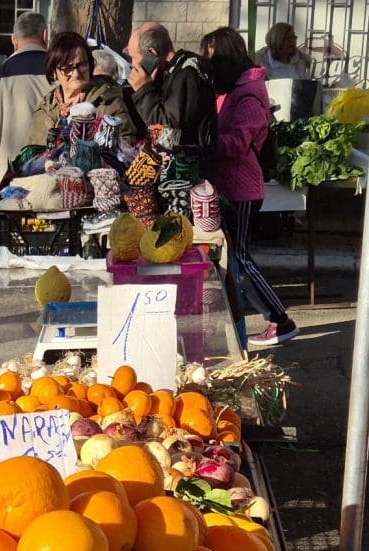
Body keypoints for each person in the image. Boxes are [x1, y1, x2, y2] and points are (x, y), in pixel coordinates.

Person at [202, 27, 297, 350]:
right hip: (227, 185)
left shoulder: (250, 93)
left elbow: (240, 142)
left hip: (242, 188)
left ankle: (280, 319)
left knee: (239, 257)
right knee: (233, 256)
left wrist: (206, 143)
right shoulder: (232, 89)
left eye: (212, 61)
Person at [0, 11, 51, 189]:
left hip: (9, 178)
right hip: (52, 175)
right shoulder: (60, 72)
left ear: (14, 40)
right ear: (45, 35)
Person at [26, 31, 139, 149]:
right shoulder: (46, 106)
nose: (76, 73)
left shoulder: (107, 100)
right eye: (67, 68)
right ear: (54, 72)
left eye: (82, 65)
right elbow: (32, 149)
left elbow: (125, 144)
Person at [127, 22, 217, 156]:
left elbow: (168, 127)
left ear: (152, 53)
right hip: (174, 158)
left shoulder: (187, 74)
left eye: (134, 57)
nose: (132, 64)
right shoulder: (169, 73)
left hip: (186, 163)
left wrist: (143, 91)